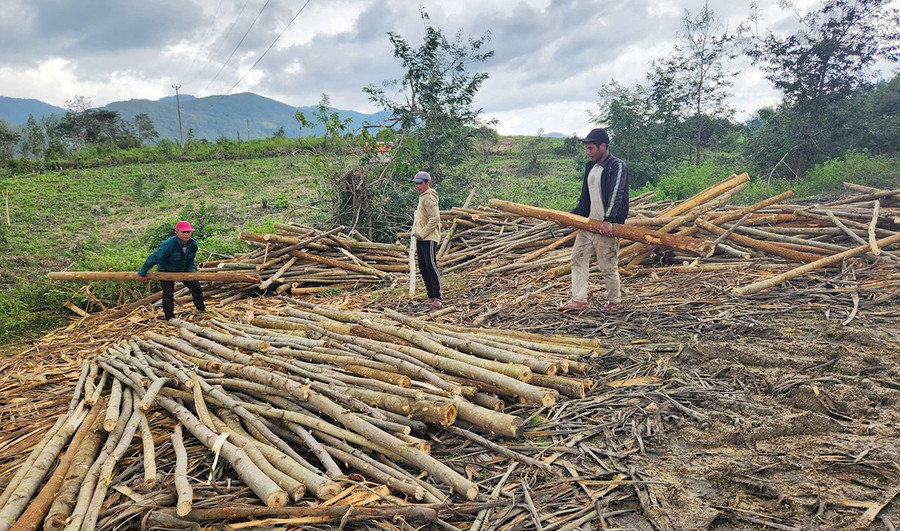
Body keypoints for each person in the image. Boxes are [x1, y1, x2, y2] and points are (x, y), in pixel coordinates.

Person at [559, 127, 629, 313]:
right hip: (588, 224)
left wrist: (609, 219)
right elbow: (585, 197)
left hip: (606, 226)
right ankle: (579, 299)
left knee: (607, 264)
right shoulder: (591, 167)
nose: (588, 152)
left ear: (603, 146)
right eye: (587, 148)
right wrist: (572, 216)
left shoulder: (617, 165)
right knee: (578, 258)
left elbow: (617, 192)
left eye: (591, 148)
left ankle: (615, 301)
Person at [137, 220, 206, 320]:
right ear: (177, 232)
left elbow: (191, 260)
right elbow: (154, 257)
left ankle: (201, 310)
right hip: (166, 270)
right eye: (183, 232)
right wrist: (142, 272)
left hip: (183, 269)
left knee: (196, 287)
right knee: (168, 294)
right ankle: (169, 317)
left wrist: (192, 273)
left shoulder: (193, 244)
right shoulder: (169, 244)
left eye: (188, 232)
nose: (186, 235)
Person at [411, 171, 443, 309]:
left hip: (429, 237)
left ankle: (437, 296)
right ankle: (430, 295)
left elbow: (435, 219)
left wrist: (422, 233)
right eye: (416, 183)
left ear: (427, 183)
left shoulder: (429, 197)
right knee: (423, 267)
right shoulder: (422, 197)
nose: (418, 186)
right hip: (421, 237)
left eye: (420, 183)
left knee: (431, 266)